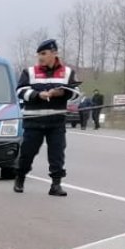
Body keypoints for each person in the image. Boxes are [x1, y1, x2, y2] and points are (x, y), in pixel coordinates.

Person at [13, 39, 81, 196]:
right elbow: (20, 91)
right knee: (27, 153)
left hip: (56, 122)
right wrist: (38, 94)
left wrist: (63, 93)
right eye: (39, 54)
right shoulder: (29, 72)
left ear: (54, 53)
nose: (40, 57)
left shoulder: (68, 72)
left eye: (44, 54)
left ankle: (56, 185)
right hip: (33, 122)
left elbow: (76, 92)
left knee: (57, 154)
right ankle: (20, 177)